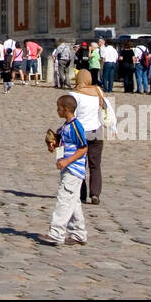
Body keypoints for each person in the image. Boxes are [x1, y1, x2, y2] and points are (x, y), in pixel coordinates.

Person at [39, 94, 89, 246]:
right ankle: (78, 233)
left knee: (64, 199)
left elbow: (83, 148)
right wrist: (53, 144)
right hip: (67, 168)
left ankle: (57, 232)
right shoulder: (64, 127)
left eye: (58, 108)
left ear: (66, 109)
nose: (57, 110)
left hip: (74, 169)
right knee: (73, 201)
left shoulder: (76, 126)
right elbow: (60, 141)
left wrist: (67, 160)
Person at [72, 70, 105, 205]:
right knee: (95, 165)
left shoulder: (74, 94)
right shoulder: (98, 91)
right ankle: (95, 194)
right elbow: (102, 108)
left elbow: (71, 115)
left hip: (80, 132)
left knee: (79, 164)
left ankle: (81, 194)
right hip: (96, 131)